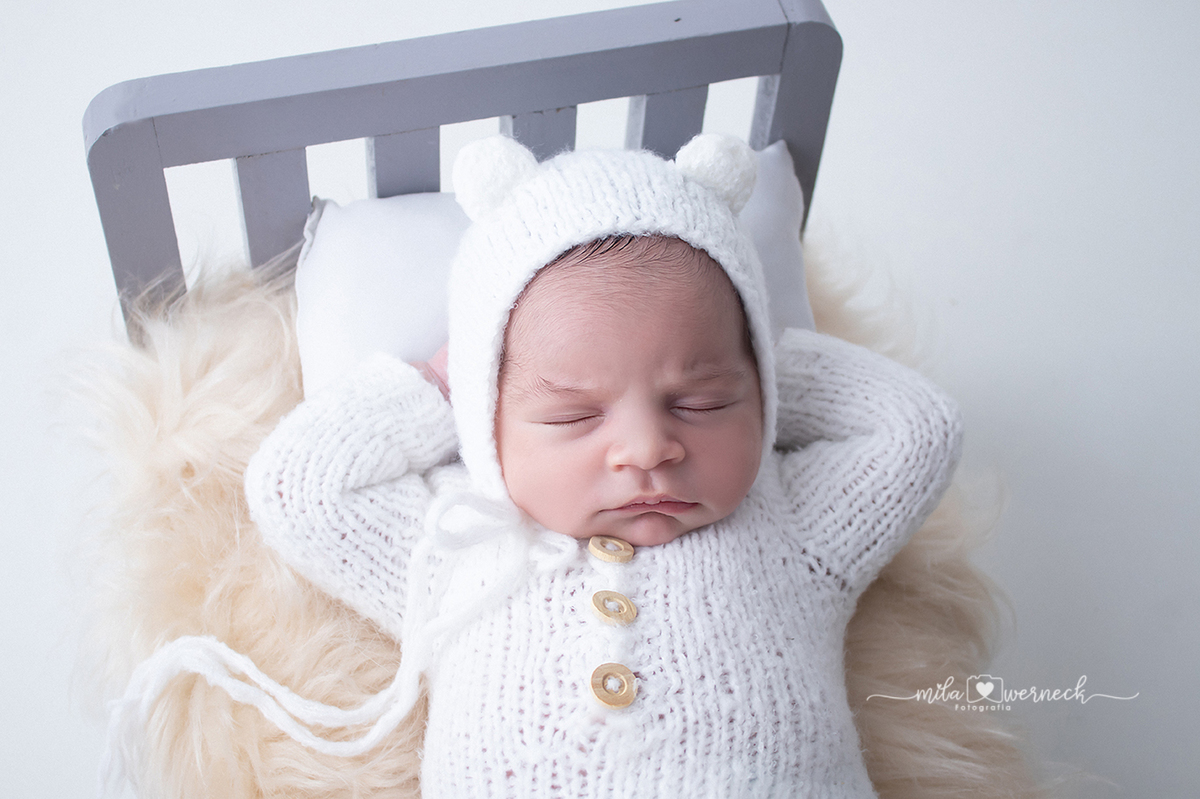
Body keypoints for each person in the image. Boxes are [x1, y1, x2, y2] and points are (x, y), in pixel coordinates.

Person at [167, 133, 961, 797]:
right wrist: (441, 384)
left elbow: (918, 430)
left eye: (702, 401)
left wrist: (764, 358)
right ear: (488, 421)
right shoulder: (460, 536)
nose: (647, 448)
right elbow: (297, 487)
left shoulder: (794, 522)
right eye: (575, 415)